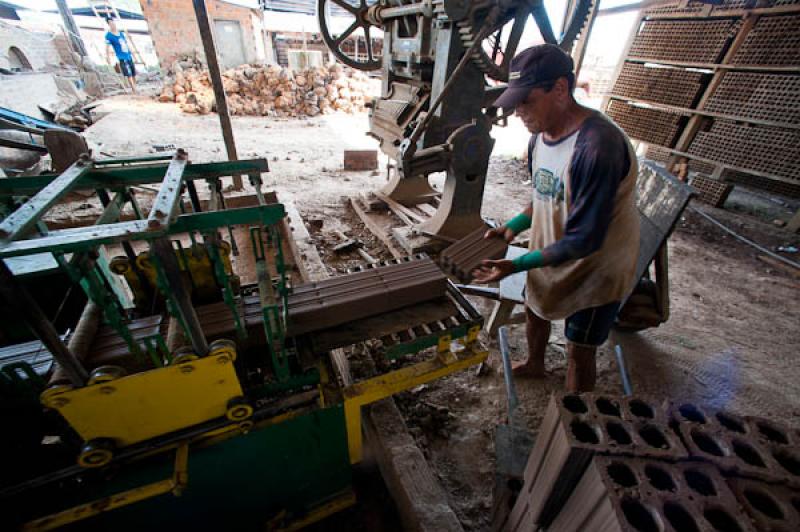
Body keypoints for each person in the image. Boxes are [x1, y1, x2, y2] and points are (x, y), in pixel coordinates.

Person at [472, 44, 640, 392]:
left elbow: (584, 240)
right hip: (551, 251)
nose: (518, 112)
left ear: (560, 89)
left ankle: (576, 420)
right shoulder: (540, 139)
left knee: (579, 351)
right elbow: (544, 197)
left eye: (527, 101)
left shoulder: (597, 146)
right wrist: (513, 227)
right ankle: (535, 364)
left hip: (596, 267)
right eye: (515, 103)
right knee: (536, 309)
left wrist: (517, 266)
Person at [105, 18, 137, 93]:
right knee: (128, 73)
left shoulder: (121, 34)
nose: (112, 24)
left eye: (113, 22)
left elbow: (126, 45)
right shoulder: (109, 36)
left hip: (128, 55)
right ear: (108, 25)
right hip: (121, 57)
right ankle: (133, 89)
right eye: (110, 23)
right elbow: (107, 47)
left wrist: (133, 55)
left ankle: (135, 87)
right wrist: (108, 57)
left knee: (133, 72)